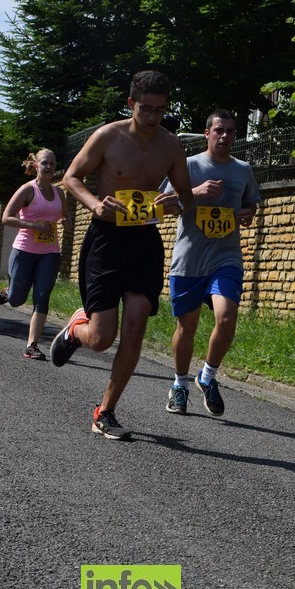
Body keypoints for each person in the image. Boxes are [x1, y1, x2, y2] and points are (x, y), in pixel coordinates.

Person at [49, 70, 194, 440]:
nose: (153, 117)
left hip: (144, 241)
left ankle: (106, 411)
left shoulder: (171, 146)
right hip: (106, 239)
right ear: (131, 103)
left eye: (160, 110)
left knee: (134, 328)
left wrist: (177, 204)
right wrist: (95, 204)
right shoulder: (108, 136)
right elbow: (71, 177)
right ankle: (76, 330)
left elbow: (186, 196)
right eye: (146, 109)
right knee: (101, 339)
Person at [162, 109, 261, 416]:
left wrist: (248, 214)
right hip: (190, 259)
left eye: (230, 131)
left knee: (227, 318)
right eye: (219, 130)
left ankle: (207, 377)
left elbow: (251, 204)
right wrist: (194, 192)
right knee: (187, 327)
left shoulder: (243, 170)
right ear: (207, 133)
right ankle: (180, 385)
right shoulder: (189, 165)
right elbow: (163, 205)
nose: (225, 136)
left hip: (226, 256)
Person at [0, 148, 72, 360]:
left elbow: (65, 217)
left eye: (52, 163)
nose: (49, 167)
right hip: (24, 250)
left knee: (42, 297)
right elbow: (6, 218)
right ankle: (9, 291)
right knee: (16, 300)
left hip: (50, 252)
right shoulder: (27, 190)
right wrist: (33, 225)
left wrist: (66, 222)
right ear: (36, 166)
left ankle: (32, 345)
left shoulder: (59, 193)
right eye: (45, 163)